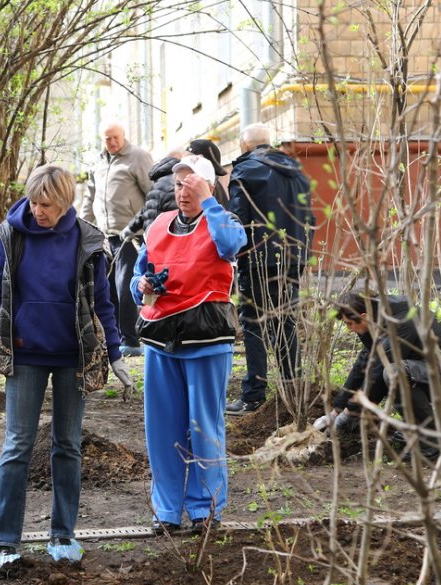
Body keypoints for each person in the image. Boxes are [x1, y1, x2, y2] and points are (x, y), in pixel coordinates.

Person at [0, 164, 133, 571]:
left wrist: (115, 352)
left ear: (65, 203)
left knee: (67, 445)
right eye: (34, 202)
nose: (38, 211)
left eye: (47, 205)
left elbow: (103, 302)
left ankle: (63, 534)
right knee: (17, 445)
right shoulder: (13, 235)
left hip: (73, 355)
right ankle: (2, 542)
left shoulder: (87, 240)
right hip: (25, 354)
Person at [130, 155, 245, 533]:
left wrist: (209, 202)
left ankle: (205, 509)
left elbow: (232, 246)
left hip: (206, 340)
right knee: (162, 431)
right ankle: (166, 511)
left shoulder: (222, 221)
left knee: (204, 429)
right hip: (160, 338)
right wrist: (140, 285)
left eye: (192, 185)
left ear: (208, 187)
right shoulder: (159, 225)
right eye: (179, 185)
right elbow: (138, 275)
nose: (183, 192)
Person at [314, 292, 441, 460]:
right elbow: (363, 364)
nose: (349, 329)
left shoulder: (400, 322)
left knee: (394, 372)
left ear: (363, 316)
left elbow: (377, 373)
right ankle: (416, 430)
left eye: (349, 324)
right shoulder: (377, 319)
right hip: (428, 371)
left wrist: (350, 412)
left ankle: (432, 444)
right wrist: (336, 411)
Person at [225, 123, 315, 415]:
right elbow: (309, 217)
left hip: (257, 260)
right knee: (285, 321)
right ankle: (292, 387)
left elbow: (238, 220)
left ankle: (253, 395)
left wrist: (234, 253)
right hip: (293, 257)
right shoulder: (297, 170)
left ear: (244, 144)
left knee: (253, 324)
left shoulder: (245, 171)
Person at [79, 122, 153, 357]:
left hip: (130, 235)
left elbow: (152, 194)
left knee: (125, 286)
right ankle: (115, 337)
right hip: (104, 235)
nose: (112, 142)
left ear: (123, 136)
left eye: (115, 137)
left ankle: (131, 340)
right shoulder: (97, 162)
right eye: (107, 138)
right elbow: (89, 197)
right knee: (107, 288)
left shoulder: (138, 157)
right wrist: (81, 227)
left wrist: (148, 226)